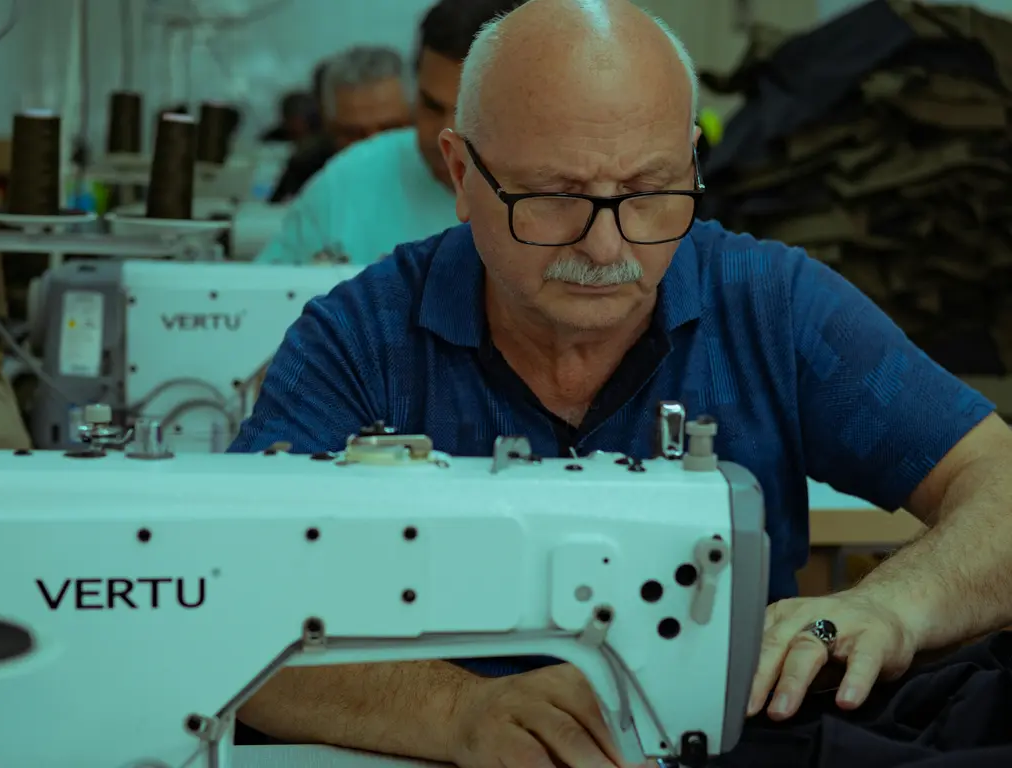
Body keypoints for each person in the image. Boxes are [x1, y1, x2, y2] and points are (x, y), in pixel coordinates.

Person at [231, 1, 1012, 767]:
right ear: (463, 173)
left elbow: (999, 480)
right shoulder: (361, 342)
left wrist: (892, 603)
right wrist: (459, 711)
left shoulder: (769, 305)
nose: (608, 248)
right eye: (556, 198)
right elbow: (225, 605)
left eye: (650, 192)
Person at [255, 0, 526, 265]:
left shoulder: (562, 192)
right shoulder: (347, 182)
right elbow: (260, 298)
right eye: (431, 105)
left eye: (467, 112)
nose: (443, 134)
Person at [268, 46, 410, 204]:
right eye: (355, 134)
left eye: (389, 129)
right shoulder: (308, 171)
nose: (374, 146)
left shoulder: (437, 167)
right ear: (329, 128)